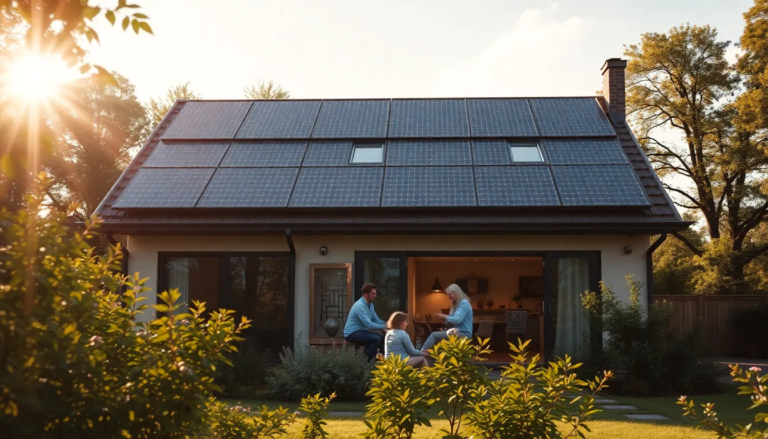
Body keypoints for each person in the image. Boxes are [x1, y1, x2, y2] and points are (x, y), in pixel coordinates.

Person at [421, 283, 473, 354]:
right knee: (437, 339)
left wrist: (444, 316)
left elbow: (457, 320)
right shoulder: (455, 304)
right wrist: (444, 321)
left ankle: (420, 353)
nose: (448, 296)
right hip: (455, 331)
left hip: (463, 334)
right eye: (447, 295)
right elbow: (453, 320)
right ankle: (432, 359)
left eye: (450, 294)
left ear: (456, 293)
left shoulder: (464, 303)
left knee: (434, 335)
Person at [344, 283, 386, 360]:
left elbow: (375, 319)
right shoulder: (359, 306)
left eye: (375, 294)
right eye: (373, 294)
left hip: (362, 331)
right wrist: (385, 326)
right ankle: (368, 362)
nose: (375, 296)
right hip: (352, 333)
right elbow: (369, 324)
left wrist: (387, 324)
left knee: (381, 338)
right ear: (366, 294)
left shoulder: (370, 305)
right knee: (376, 338)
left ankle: (381, 360)